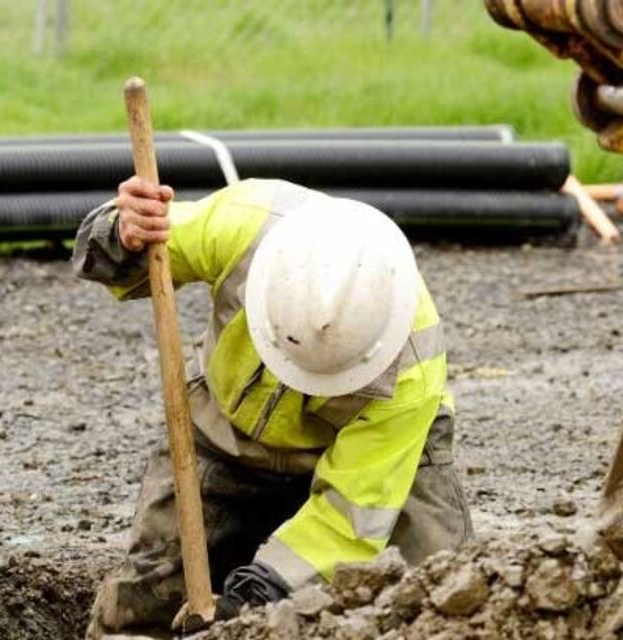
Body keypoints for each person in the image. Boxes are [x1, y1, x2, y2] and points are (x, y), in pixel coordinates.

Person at [73, 176, 473, 638]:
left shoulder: (411, 371)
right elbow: (138, 256)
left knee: (436, 604)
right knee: (142, 610)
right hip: (226, 435)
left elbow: (349, 522)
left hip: (380, 464)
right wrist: (124, 233)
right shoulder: (245, 225)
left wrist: (251, 603)